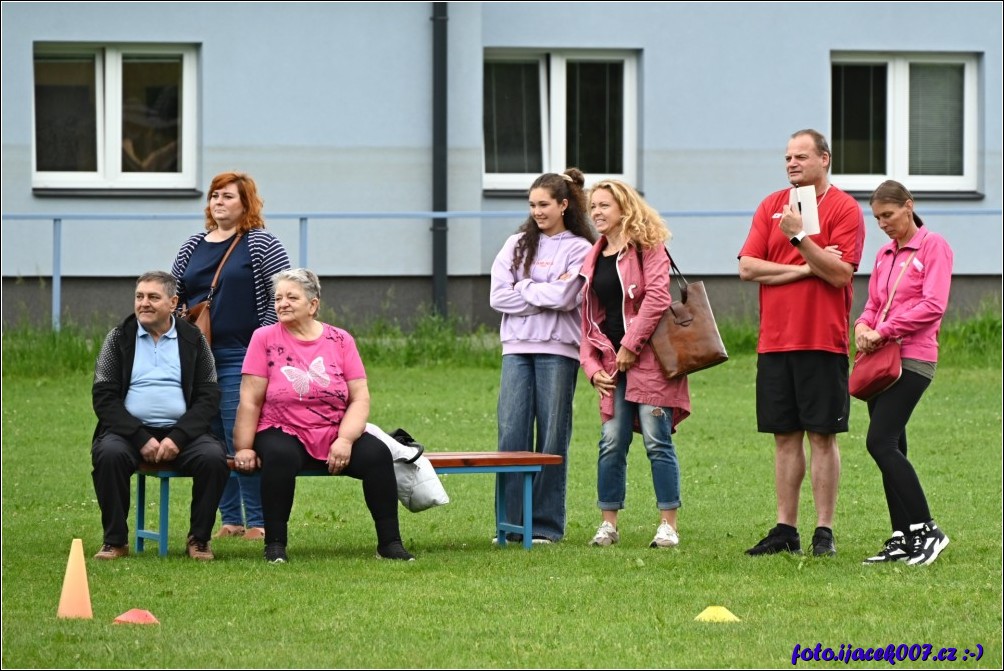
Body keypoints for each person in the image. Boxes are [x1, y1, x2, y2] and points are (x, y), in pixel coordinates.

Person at [738, 128, 866, 557]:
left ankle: (823, 531)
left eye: (801, 156)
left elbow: (840, 273)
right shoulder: (770, 205)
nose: (791, 163)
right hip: (775, 342)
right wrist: (805, 266)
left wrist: (798, 239)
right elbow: (748, 268)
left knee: (822, 436)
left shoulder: (845, 209)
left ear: (824, 159)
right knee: (784, 436)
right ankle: (785, 529)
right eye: (788, 157)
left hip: (822, 341)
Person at [231, 268, 415, 563]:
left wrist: (344, 439)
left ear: (313, 305)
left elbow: (359, 398)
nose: (282, 303)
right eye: (278, 298)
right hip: (282, 426)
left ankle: (390, 543)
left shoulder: (340, 340)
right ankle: (275, 545)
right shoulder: (263, 337)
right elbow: (250, 399)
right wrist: (243, 447)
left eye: (292, 297)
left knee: (377, 454)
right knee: (279, 455)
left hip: (332, 428)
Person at [171, 171, 291, 541]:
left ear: (246, 204)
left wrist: (265, 344)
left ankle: (257, 521)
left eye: (228, 197)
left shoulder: (260, 243)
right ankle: (231, 520)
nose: (218, 203)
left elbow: (282, 295)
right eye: (215, 196)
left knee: (242, 436)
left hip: (243, 354)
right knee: (210, 438)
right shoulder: (193, 244)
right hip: (199, 357)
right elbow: (174, 292)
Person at [579, 179, 691, 548]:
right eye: (593, 206)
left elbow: (658, 298)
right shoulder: (593, 256)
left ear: (624, 208)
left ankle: (668, 526)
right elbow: (588, 320)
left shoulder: (648, 247)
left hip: (651, 360)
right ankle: (608, 524)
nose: (596, 212)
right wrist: (592, 367)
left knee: (657, 439)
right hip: (612, 363)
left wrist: (631, 344)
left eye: (604, 205)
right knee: (611, 440)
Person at [489, 168, 597, 544]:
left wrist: (525, 287)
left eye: (544, 204)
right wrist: (543, 293)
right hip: (516, 351)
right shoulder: (516, 244)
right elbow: (497, 297)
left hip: (558, 351)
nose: (537, 211)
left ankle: (546, 526)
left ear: (564, 205)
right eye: (532, 204)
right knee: (511, 437)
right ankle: (511, 525)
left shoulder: (580, 249)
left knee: (552, 439)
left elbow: (567, 298)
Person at [91, 271, 229, 560]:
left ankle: (199, 539)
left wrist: (178, 437)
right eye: (139, 297)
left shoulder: (194, 339)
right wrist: (140, 437)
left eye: (153, 297)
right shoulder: (118, 338)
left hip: (184, 433)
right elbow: (104, 398)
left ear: (173, 301)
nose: (144, 303)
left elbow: (208, 396)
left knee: (213, 458)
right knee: (109, 454)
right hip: (128, 433)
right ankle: (115, 540)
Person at [855, 181, 953, 566]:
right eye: (877, 217)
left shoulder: (934, 247)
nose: (882, 223)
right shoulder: (884, 254)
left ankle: (928, 530)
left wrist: (885, 329)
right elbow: (874, 303)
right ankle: (903, 536)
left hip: (913, 359)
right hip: (881, 361)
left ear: (908, 207)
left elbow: (933, 304)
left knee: (879, 442)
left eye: (889, 215)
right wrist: (862, 327)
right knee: (894, 445)